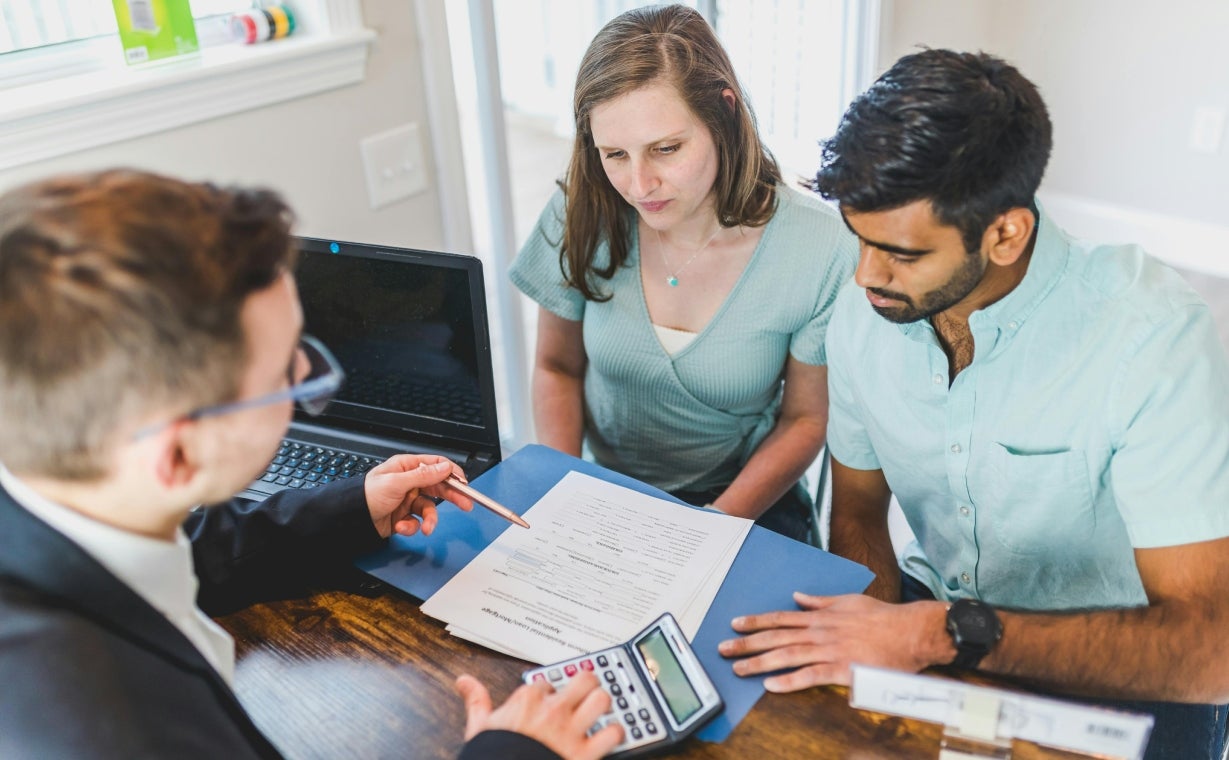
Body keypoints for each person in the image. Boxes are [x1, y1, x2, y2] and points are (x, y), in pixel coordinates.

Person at [0, 170, 622, 760]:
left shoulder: (66, 505)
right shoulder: (96, 727)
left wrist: (353, 507)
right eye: (286, 378)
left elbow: (198, 549)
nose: (309, 381)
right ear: (177, 456)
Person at [717, 49, 1229, 759]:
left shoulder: (1149, 337)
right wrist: (867, 645)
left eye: (901, 252)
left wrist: (935, 634)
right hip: (935, 638)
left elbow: (1211, 654)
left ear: (1004, 233)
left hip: (1124, 669)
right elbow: (859, 509)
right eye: (858, 239)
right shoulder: (863, 313)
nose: (867, 275)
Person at [510, 4, 857, 542]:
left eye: (666, 149)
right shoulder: (582, 210)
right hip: (601, 490)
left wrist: (710, 528)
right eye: (615, 154)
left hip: (745, 498)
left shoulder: (818, 244)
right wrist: (564, 489)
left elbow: (805, 419)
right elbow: (556, 366)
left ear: (724, 114)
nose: (640, 183)